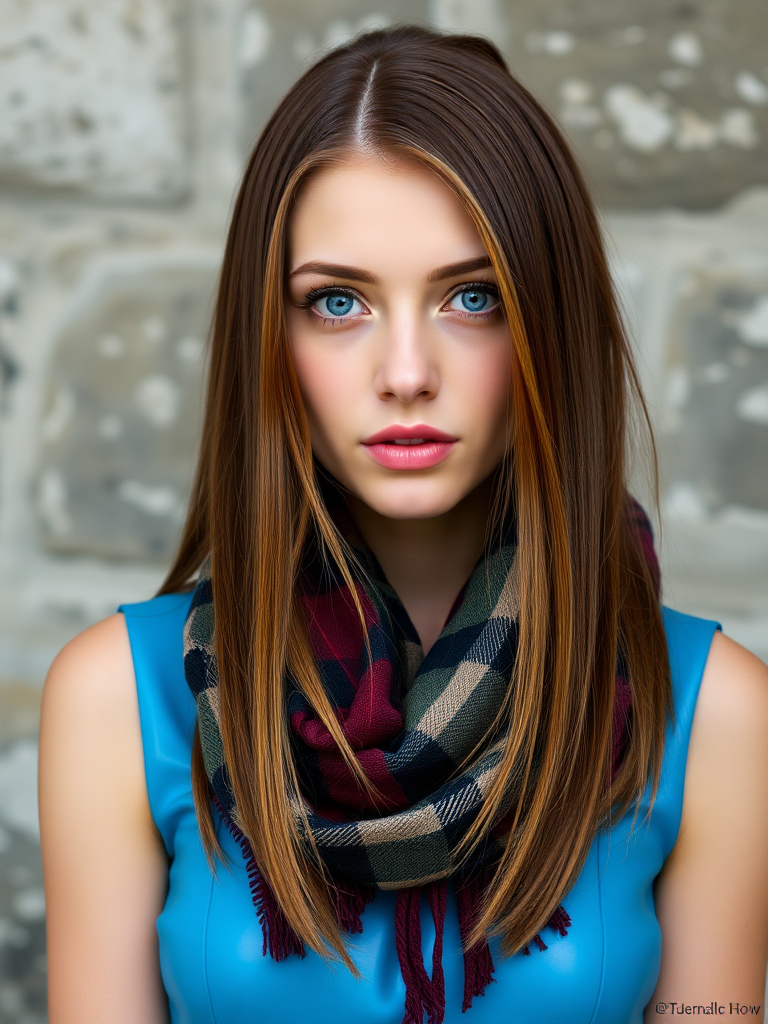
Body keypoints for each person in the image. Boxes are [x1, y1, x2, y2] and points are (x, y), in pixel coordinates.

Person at [38, 25, 768, 1024]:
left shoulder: (715, 713)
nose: (407, 371)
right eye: (338, 302)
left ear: (548, 320)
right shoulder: (121, 701)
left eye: (473, 296)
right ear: (270, 336)